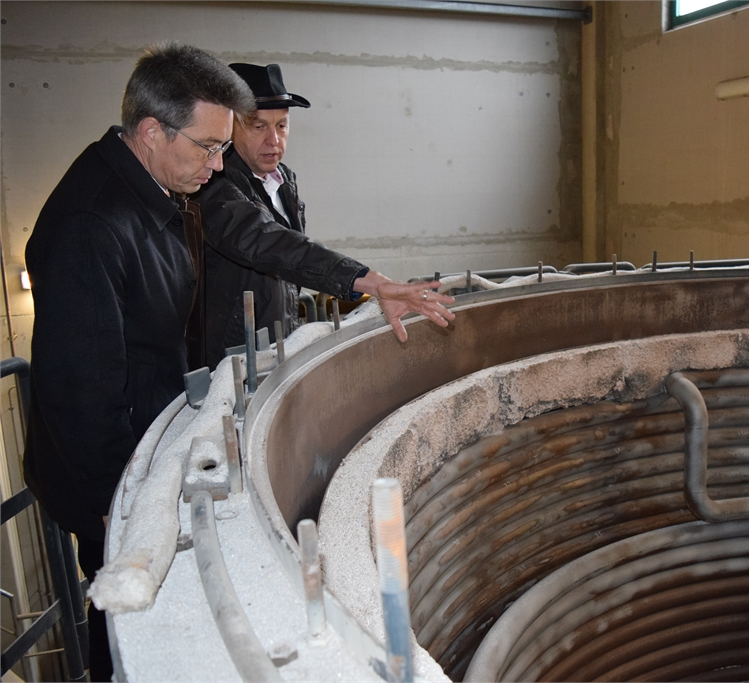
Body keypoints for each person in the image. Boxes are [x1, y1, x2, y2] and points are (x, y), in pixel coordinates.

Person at [23, 42, 254, 681]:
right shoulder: (90, 222)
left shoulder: (149, 187)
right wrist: (114, 502)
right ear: (151, 130)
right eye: (207, 148)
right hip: (109, 478)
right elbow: (80, 383)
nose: (217, 165)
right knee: (123, 623)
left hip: (143, 447)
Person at [196, 62, 455, 367]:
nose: (274, 140)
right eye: (258, 126)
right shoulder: (211, 184)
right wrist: (368, 281)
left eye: (281, 125)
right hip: (231, 361)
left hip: (275, 348)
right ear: (230, 126)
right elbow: (271, 243)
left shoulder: (283, 181)